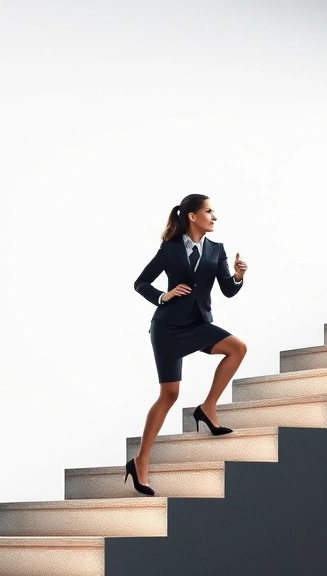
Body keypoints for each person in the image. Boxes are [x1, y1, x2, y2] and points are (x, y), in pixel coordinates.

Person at [125, 194, 250, 496]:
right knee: (169, 394)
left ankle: (207, 408)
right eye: (209, 211)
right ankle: (140, 461)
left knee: (237, 348)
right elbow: (141, 283)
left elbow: (228, 291)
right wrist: (163, 296)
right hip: (167, 328)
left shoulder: (217, 250)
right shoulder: (169, 250)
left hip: (198, 324)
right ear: (193, 216)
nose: (214, 216)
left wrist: (237, 276)